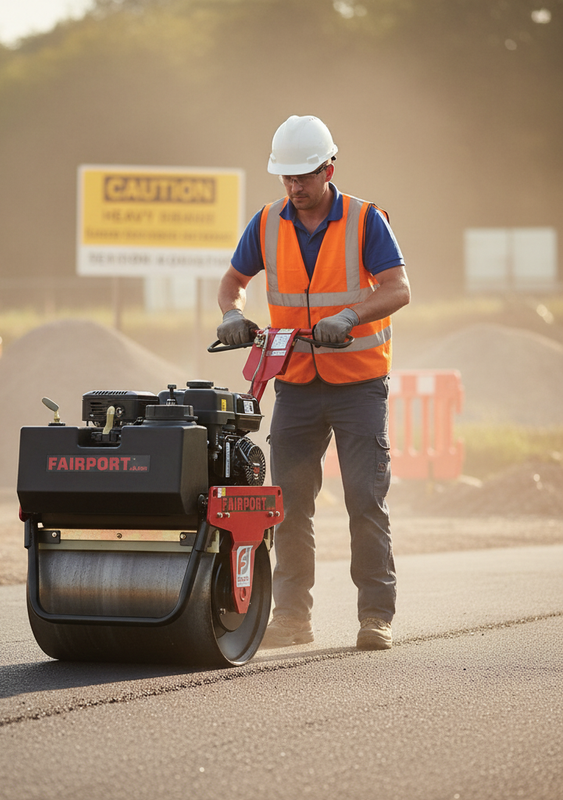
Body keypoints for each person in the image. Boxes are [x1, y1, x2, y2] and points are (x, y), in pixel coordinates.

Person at [216, 114, 410, 651]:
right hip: (297, 385)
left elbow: (398, 288)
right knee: (290, 504)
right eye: (286, 178)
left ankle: (375, 616)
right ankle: (293, 618)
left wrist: (350, 317)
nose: (295, 187)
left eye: (303, 176)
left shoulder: (365, 220)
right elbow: (233, 282)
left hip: (358, 388)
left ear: (329, 167)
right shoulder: (266, 222)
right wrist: (233, 313)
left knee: (364, 501)